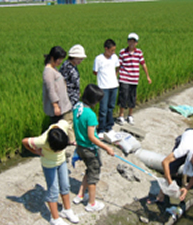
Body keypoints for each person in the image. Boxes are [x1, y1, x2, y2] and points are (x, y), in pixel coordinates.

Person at [149, 129, 193, 224]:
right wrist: (170, 183)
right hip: (188, 136)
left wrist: (186, 188)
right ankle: (160, 196)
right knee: (170, 169)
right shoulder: (183, 148)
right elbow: (165, 162)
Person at [22, 120, 79, 225]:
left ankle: (67, 210)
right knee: (53, 190)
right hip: (49, 165)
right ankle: (55, 218)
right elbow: (25, 141)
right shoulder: (42, 141)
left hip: (61, 162)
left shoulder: (62, 126)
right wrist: (35, 151)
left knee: (65, 186)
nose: (58, 151)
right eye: (57, 149)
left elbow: (67, 122)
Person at [72, 84, 115, 212]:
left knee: (89, 170)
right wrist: (107, 147)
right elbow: (92, 137)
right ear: (94, 101)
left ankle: (80, 195)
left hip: (80, 146)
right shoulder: (90, 115)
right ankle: (91, 203)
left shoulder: (77, 108)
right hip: (89, 149)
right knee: (93, 176)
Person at [116, 33, 152, 125]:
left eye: (134, 41)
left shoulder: (139, 52)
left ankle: (130, 115)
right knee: (123, 96)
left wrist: (147, 76)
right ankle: (121, 116)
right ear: (128, 41)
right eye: (130, 41)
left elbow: (143, 64)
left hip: (134, 79)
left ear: (136, 43)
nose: (132, 43)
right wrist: (115, 76)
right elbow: (119, 65)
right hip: (124, 78)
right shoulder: (122, 52)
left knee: (132, 97)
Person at [43, 46, 75, 145]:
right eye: (59, 59)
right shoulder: (48, 72)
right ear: (52, 57)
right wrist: (55, 106)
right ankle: (60, 145)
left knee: (68, 122)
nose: (60, 61)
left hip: (64, 103)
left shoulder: (54, 68)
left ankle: (70, 140)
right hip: (58, 106)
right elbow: (51, 90)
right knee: (59, 127)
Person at [93, 39, 120, 138]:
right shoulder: (99, 59)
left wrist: (114, 77)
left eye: (114, 50)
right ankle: (101, 129)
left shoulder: (115, 57)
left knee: (111, 108)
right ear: (106, 49)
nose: (113, 52)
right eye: (111, 50)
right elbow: (95, 71)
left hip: (114, 86)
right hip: (103, 87)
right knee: (103, 109)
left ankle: (109, 127)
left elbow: (118, 67)